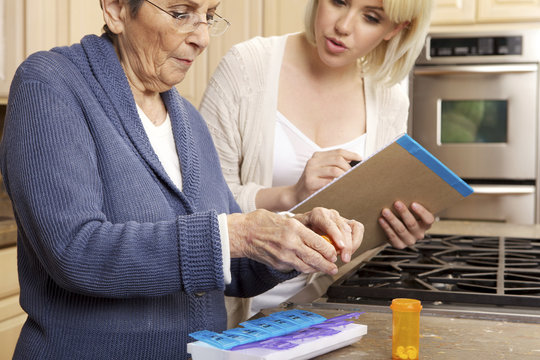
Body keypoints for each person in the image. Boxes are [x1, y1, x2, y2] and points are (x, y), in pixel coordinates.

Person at [0, 0, 364, 359]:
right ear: (116, 10)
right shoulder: (51, 83)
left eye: (208, 16)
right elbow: (74, 252)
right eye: (181, 13)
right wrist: (236, 235)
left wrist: (295, 239)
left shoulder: (188, 119)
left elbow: (232, 263)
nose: (202, 37)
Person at [199, 0, 435, 323]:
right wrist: (292, 195)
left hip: (322, 317)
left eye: (370, 17)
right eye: (339, 1)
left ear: (395, 30)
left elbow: (359, 235)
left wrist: (396, 227)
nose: (344, 26)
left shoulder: (389, 98)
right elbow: (201, 208)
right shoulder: (246, 67)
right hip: (234, 313)